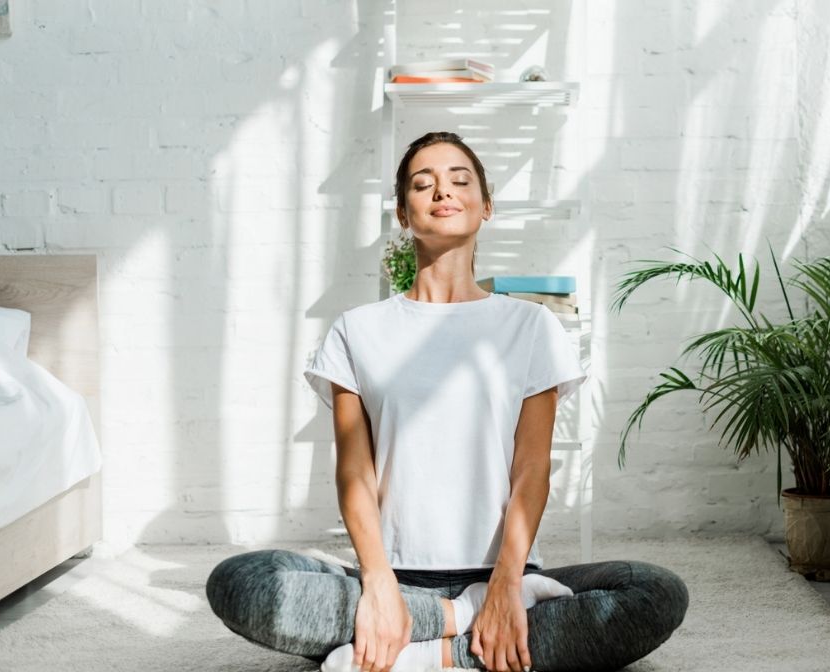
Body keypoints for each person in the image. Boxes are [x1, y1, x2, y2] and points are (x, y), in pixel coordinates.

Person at [205, 131, 689, 672]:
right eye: (422, 183)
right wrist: (379, 583)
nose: (443, 191)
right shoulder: (357, 330)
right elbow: (354, 476)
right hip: (395, 574)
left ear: (486, 206)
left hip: (508, 572)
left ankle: (426, 647)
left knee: (653, 592)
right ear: (403, 213)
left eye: (460, 180)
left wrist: (506, 583)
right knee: (241, 583)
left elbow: (531, 470)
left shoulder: (530, 325)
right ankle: (461, 623)